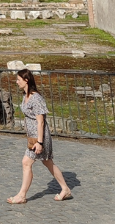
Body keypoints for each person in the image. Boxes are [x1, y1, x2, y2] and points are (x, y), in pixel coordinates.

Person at [7, 69, 72, 204]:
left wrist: (40, 142)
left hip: (40, 137)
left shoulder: (36, 98)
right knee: (48, 162)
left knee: (26, 162)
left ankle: (21, 195)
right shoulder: (26, 96)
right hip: (32, 137)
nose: (16, 82)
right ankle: (65, 189)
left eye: (18, 79)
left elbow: (40, 121)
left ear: (26, 80)